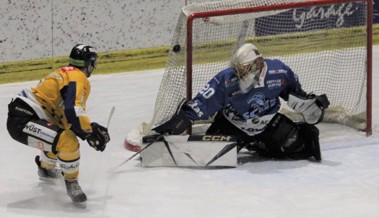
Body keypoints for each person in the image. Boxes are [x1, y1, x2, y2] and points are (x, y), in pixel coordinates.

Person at [153, 43, 330, 161]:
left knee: (299, 147)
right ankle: (251, 141)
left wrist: (310, 104)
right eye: (238, 69)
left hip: (267, 122)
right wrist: (181, 120)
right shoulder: (226, 79)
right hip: (233, 124)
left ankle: (259, 144)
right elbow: (202, 104)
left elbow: (294, 93)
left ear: (258, 63)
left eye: (244, 69)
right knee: (208, 155)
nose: (239, 74)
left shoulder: (279, 72)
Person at [6, 44, 110, 203]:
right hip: (24, 119)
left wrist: (86, 130)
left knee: (59, 135)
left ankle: (45, 169)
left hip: (22, 116)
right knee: (67, 141)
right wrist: (89, 131)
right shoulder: (77, 77)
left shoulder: (65, 73)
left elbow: (67, 118)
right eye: (92, 63)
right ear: (88, 64)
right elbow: (73, 108)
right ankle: (71, 182)